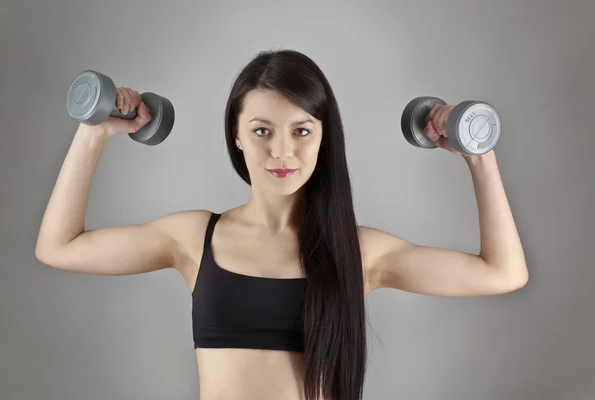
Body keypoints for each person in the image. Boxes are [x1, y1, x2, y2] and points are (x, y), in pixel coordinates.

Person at [35, 49, 528, 400]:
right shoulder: (192, 238)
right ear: (237, 134)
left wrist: (477, 155)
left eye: (302, 131)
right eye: (262, 130)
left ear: (323, 137)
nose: (281, 152)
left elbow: (503, 273)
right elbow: (59, 247)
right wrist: (93, 133)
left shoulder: (361, 253)